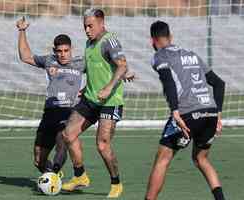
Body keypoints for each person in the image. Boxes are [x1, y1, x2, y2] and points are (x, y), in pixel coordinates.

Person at [144, 20, 226, 200]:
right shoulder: (193, 55)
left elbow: (168, 81)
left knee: (162, 160)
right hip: (210, 113)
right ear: (170, 37)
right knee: (201, 158)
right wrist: (218, 114)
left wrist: (175, 111)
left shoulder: (160, 56)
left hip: (187, 114)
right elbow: (219, 84)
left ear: (153, 41)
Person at [61, 8, 134, 198]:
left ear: (102, 22)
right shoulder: (88, 43)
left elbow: (122, 64)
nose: (86, 29)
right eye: (84, 26)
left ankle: (116, 183)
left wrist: (110, 87)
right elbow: (97, 67)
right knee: (68, 134)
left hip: (111, 101)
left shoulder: (109, 40)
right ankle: (80, 176)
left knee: (102, 145)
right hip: (91, 99)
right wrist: (87, 87)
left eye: (90, 25)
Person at [16, 17, 85, 175]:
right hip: (49, 113)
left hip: (69, 112)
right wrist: (22, 31)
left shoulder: (81, 63)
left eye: (66, 50)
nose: (63, 54)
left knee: (62, 143)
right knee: (39, 160)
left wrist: (87, 89)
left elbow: (99, 73)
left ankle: (54, 174)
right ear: (55, 51)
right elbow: (25, 56)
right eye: (59, 51)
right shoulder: (49, 60)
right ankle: (52, 174)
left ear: (71, 49)